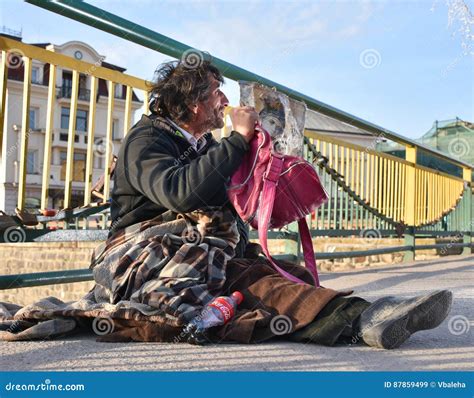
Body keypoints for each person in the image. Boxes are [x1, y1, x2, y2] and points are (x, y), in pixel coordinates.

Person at [108, 59, 452, 349]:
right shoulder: (148, 139)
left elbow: (214, 197)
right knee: (254, 280)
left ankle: (347, 322)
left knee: (290, 273)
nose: (224, 99)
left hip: (185, 251)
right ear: (194, 102)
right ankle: (364, 319)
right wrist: (238, 139)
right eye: (216, 92)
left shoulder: (197, 145)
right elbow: (178, 192)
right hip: (142, 258)